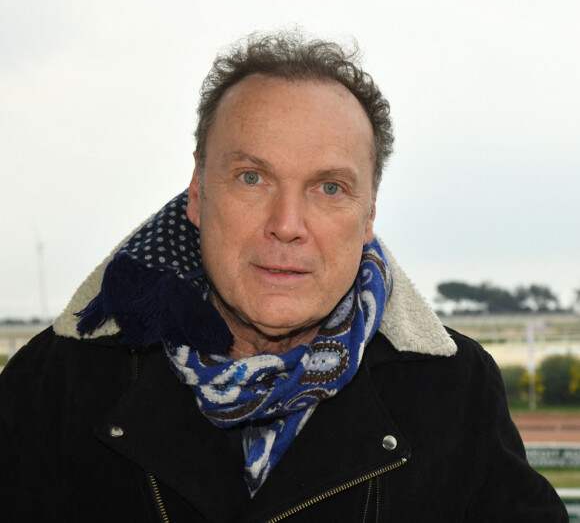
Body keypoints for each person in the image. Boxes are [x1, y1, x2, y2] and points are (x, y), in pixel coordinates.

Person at [0, 31, 567, 522]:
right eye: (252, 178)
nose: (287, 225)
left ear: (369, 216)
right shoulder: (59, 382)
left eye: (329, 188)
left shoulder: (454, 392)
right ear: (198, 194)